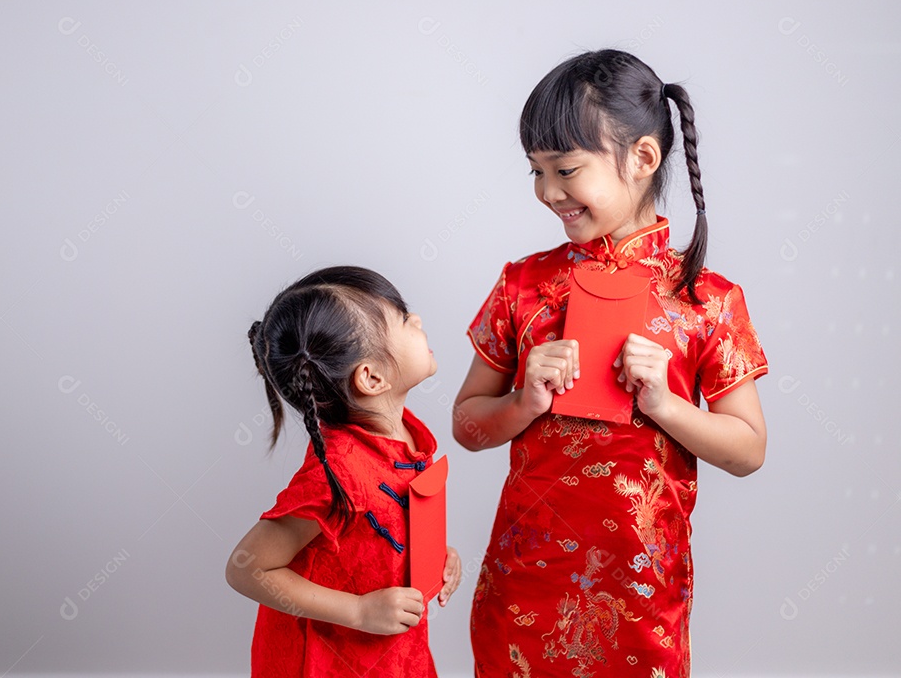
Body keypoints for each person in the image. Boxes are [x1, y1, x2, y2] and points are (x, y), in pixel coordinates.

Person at [454, 49, 769, 677]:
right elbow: (467, 426)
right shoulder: (524, 285)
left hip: (642, 589)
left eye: (565, 169)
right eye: (535, 172)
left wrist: (664, 405)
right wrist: (523, 402)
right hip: (525, 582)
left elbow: (747, 451)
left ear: (644, 158)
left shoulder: (706, 300)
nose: (548, 192)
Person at [226, 265, 463, 677]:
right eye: (405, 319)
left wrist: (436, 553)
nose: (419, 320)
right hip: (328, 658)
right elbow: (247, 567)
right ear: (371, 377)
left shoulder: (405, 437)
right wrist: (357, 610)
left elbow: (383, 528)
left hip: (390, 650)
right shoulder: (339, 469)